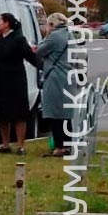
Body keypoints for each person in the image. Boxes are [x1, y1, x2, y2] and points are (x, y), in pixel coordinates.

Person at [0, 12, 39, 152]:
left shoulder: (18, 39)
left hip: (15, 80)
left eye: (0, 21)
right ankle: (5, 145)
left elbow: (30, 56)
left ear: (7, 23)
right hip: (0, 79)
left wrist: (44, 66)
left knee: (19, 114)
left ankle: (20, 146)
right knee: (2, 115)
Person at [35, 13, 75, 157]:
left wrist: (46, 36)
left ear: (52, 25)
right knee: (66, 114)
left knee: (54, 114)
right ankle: (68, 144)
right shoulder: (70, 35)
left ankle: (60, 146)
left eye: (47, 25)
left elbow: (39, 51)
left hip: (55, 78)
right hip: (68, 77)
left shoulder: (54, 36)